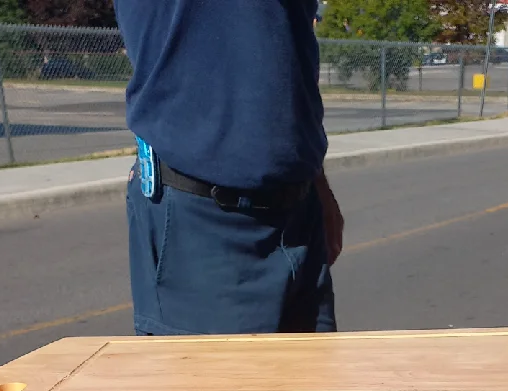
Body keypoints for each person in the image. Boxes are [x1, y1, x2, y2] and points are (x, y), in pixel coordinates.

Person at [113, 0, 343, 336]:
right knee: (219, 371)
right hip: (203, 215)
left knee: (315, 370)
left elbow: (284, 50)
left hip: (300, 214)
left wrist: (316, 179)